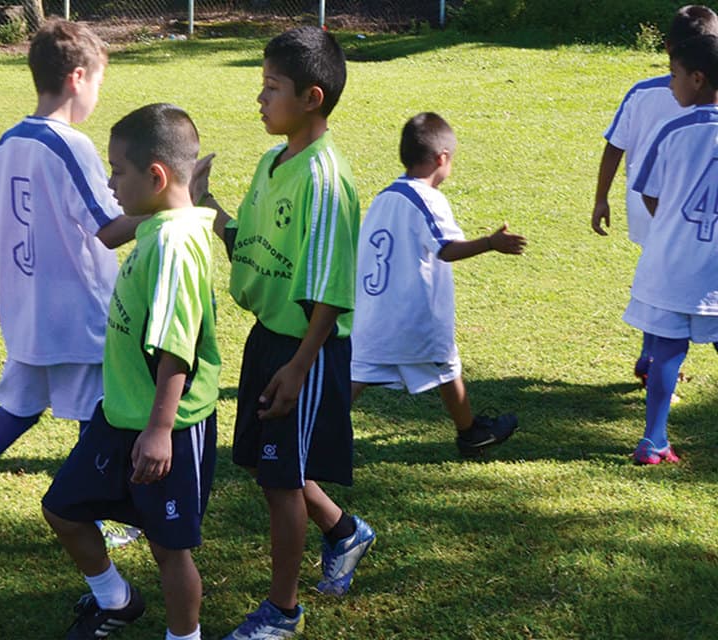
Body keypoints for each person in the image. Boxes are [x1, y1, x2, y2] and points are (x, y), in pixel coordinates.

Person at [0, 18, 143, 561]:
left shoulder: (10, 140)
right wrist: (173, 207)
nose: (97, 95)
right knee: (106, 414)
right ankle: (98, 512)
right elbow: (109, 229)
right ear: (78, 77)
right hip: (80, 312)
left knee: (19, 404)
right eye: (99, 83)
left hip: (26, 308)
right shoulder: (71, 145)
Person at [196, 26, 374, 639]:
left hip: (308, 346)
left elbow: (328, 291)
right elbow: (252, 240)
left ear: (312, 98)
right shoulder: (276, 163)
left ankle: (282, 612)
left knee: (278, 481)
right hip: (270, 336)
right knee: (273, 464)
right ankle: (346, 532)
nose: (260, 98)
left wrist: (299, 367)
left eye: (272, 88)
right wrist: (208, 204)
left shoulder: (326, 181)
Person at [42, 103, 220, 640]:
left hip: (168, 425)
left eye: (117, 170)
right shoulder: (162, 225)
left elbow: (176, 349)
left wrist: (161, 430)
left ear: (156, 175)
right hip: (120, 414)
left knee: (170, 549)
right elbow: (117, 231)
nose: (111, 182)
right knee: (63, 509)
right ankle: (116, 600)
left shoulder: (174, 244)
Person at [351, 113, 526, 458]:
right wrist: (490, 243)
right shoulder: (426, 199)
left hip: (374, 313)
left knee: (360, 373)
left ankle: (312, 435)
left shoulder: (384, 196)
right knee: (445, 366)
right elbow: (446, 249)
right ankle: (470, 433)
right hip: (412, 315)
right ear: (441, 158)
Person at [591, 5, 718, 386]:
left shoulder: (644, 92)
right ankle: (659, 355)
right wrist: (600, 198)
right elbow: (615, 145)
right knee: (674, 285)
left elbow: (615, 146)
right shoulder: (651, 93)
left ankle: (654, 354)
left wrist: (601, 197)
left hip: (654, 206)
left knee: (663, 281)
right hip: (668, 207)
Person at [623, 33, 718, 465]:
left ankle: (654, 441)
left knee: (666, 348)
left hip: (672, 262)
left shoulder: (673, 130)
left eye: (675, 75)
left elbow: (648, 190)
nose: (670, 83)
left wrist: (675, 222)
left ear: (697, 79)